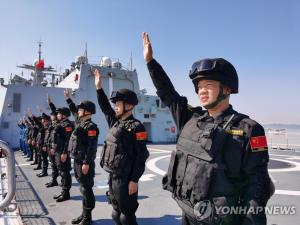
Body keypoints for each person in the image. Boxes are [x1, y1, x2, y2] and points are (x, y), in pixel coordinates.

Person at [142, 32, 273, 225]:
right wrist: (150, 62)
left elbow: (257, 187)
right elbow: (168, 94)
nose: (202, 90)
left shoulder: (249, 130)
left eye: (209, 85)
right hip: (189, 214)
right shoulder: (191, 119)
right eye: (199, 86)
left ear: (227, 89)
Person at [94, 69, 149, 225]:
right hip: (113, 176)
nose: (116, 106)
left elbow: (141, 155)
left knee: (127, 215)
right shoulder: (115, 122)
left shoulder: (137, 127)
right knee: (115, 212)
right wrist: (99, 88)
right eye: (115, 104)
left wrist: (134, 179)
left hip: (126, 179)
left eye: (119, 103)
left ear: (129, 105)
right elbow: (105, 107)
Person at [64, 89, 99, 225]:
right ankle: (84, 214)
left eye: (81, 109)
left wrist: (86, 162)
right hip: (77, 161)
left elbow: (92, 147)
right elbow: (73, 109)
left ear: (87, 112)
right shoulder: (80, 122)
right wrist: (68, 99)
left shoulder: (91, 127)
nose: (78, 111)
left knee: (86, 189)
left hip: (85, 163)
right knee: (82, 188)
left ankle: (88, 217)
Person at [51, 105, 74, 202]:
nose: (58, 115)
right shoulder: (60, 123)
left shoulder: (67, 125)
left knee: (65, 172)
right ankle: (63, 191)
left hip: (63, 152)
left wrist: (65, 152)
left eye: (59, 113)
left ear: (64, 115)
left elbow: (68, 140)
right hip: (58, 151)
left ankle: (66, 193)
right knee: (61, 171)